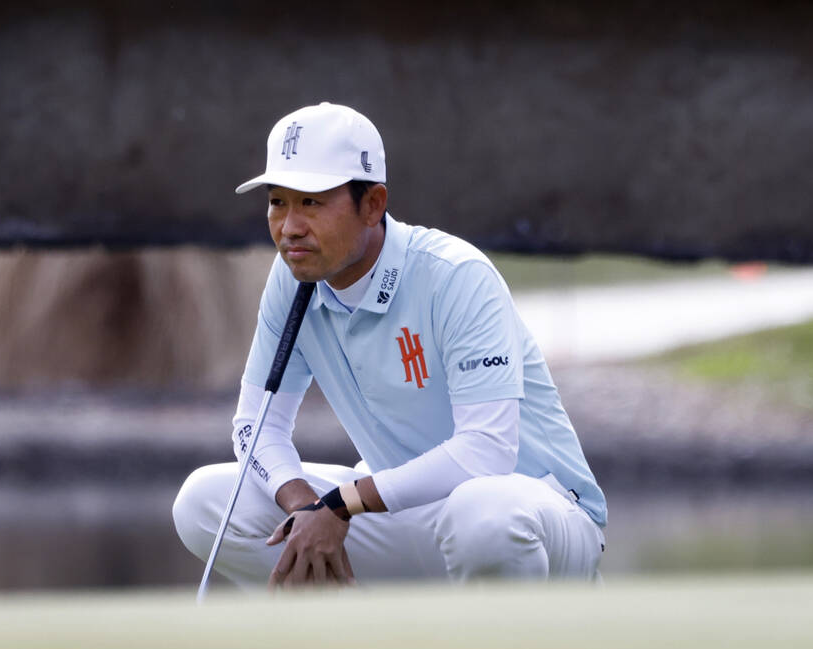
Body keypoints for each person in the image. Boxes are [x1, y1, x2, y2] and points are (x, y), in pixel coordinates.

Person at [173, 102, 606, 588]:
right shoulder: (292, 276)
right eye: (278, 202)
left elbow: (486, 452)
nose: (289, 226)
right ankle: (351, 648)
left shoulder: (456, 275)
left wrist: (340, 503)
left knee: (483, 512)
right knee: (203, 501)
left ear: (373, 204)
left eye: (311, 202)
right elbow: (255, 426)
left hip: (539, 514)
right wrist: (305, 510)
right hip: (402, 514)